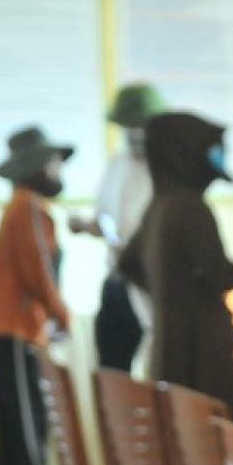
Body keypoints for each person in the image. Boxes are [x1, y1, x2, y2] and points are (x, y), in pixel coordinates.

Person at [119, 112, 233, 425]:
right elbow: (223, 276)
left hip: (169, 348)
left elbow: (127, 264)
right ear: (185, 151)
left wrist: (172, 298)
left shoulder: (159, 204)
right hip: (202, 357)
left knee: (182, 446)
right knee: (212, 449)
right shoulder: (188, 207)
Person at [0, 127, 72, 465]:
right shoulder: (29, 208)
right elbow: (38, 270)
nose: (58, 171)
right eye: (52, 163)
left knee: (16, 417)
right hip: (13, 326)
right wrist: (62, 314)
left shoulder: (21, 205)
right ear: (36, 168)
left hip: (5, 326)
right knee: (28, 420)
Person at [70, 83, 165, 371]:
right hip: (118, 279)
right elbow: (104, 219)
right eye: (128, 127)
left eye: (140, 126)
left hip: (150, 281)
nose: (134, 134)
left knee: (155, 367)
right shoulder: (118, 165)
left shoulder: (167, 172)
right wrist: (88, 226)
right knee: (111, 371)